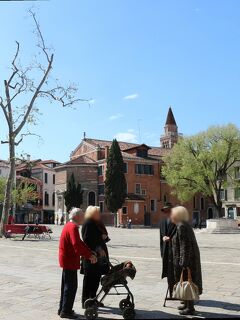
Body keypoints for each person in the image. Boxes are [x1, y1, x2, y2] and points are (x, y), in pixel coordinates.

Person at [58, 208, 97, 319]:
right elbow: (77, 245)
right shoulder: (73, 227)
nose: (84, 218)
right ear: (77, 217)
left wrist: (89, 252)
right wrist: (89, 256)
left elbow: (79, 242)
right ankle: (66, 311)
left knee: (65, 286)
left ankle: (62, 308)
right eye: (82, 216)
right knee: (71, 287)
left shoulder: (69, 225)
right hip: (69, 260)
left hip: (66, 260)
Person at [170, 206, 203, 316]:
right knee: (186, 282)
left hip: (187, 260)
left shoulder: (181, 227)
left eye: (172, 214)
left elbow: (185, 245)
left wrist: (184, 262)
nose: (171, 216)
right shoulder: (184, 225)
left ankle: (190, 308)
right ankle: (187, 304)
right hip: (190, 259)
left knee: (188, 282)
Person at [81, 206, 109, 308]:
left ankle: (93, 299)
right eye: (97, 213)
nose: (99, 214)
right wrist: (98, 248)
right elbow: (87, 240)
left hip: (98, 258)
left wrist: (104, 237)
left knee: (96, 279)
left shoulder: (96, 223)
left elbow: (99, 238)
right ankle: (86, 301)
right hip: (91, 257)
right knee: (89, 280)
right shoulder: (88, 223)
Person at [159, 203, 176, 296]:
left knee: (176, 273)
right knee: (168, 273)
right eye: (165, 211)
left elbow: (180, 237)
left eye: (168, 210)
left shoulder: (177, 221)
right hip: (166, 252)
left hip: (175, 252)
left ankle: (179, 292)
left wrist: (171, 239)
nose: (167, 212)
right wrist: (162, 252)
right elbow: (160, 238)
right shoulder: (162, 222)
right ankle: (171, 292)